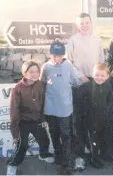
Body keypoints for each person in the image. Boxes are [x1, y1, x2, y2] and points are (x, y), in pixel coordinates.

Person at [65, 12, 105, 170]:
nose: (85, 25)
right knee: (79, 122)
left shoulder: (97, 40)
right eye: (81, 23)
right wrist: (80, 76)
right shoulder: (72, 41)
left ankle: (94, 155)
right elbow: (69, 62)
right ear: (78, 25)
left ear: (91, 23)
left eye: (87, 23)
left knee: (94, 121)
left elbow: (101, 61)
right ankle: (79, 156)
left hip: (95, 83)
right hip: (79, 84)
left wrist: (99, 78)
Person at [7, 60, 54, 175]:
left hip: (37, 120)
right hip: (22, 122)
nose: (35, 74)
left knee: (44, 140)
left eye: (37, 71)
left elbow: (43, 103)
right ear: (24, 73)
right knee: (22, 146)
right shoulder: (17, 89)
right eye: (31, 71)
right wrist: (15, 130)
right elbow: (14, 110)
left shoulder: (40, 85)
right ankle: (12, 165)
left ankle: (43, 155)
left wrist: (43, 119)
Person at [40, 41, 81, 175]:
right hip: (50, 108)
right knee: (54, 134)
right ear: (50, 54)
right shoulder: (46, 67)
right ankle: (59, 158)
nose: (57, 58)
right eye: (54, 55)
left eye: (60, 55)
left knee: (66, 135)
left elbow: (75, 82)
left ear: (63, 55)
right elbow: (42, 84)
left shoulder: (68, 65)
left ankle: (67, 163)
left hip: (65, 109)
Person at [76, 63, 113, 168]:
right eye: (97, 75)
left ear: (107, 76)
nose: (99, 78)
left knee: (105, 136)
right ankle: (94, 158)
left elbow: (110, 101)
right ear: (93, 74)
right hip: (91, 119)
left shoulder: (108, 87)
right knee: (94, 139)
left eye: (102, 76)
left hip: (104, 117)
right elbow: (79, 104)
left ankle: (104, 154)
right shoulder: (86, 87)